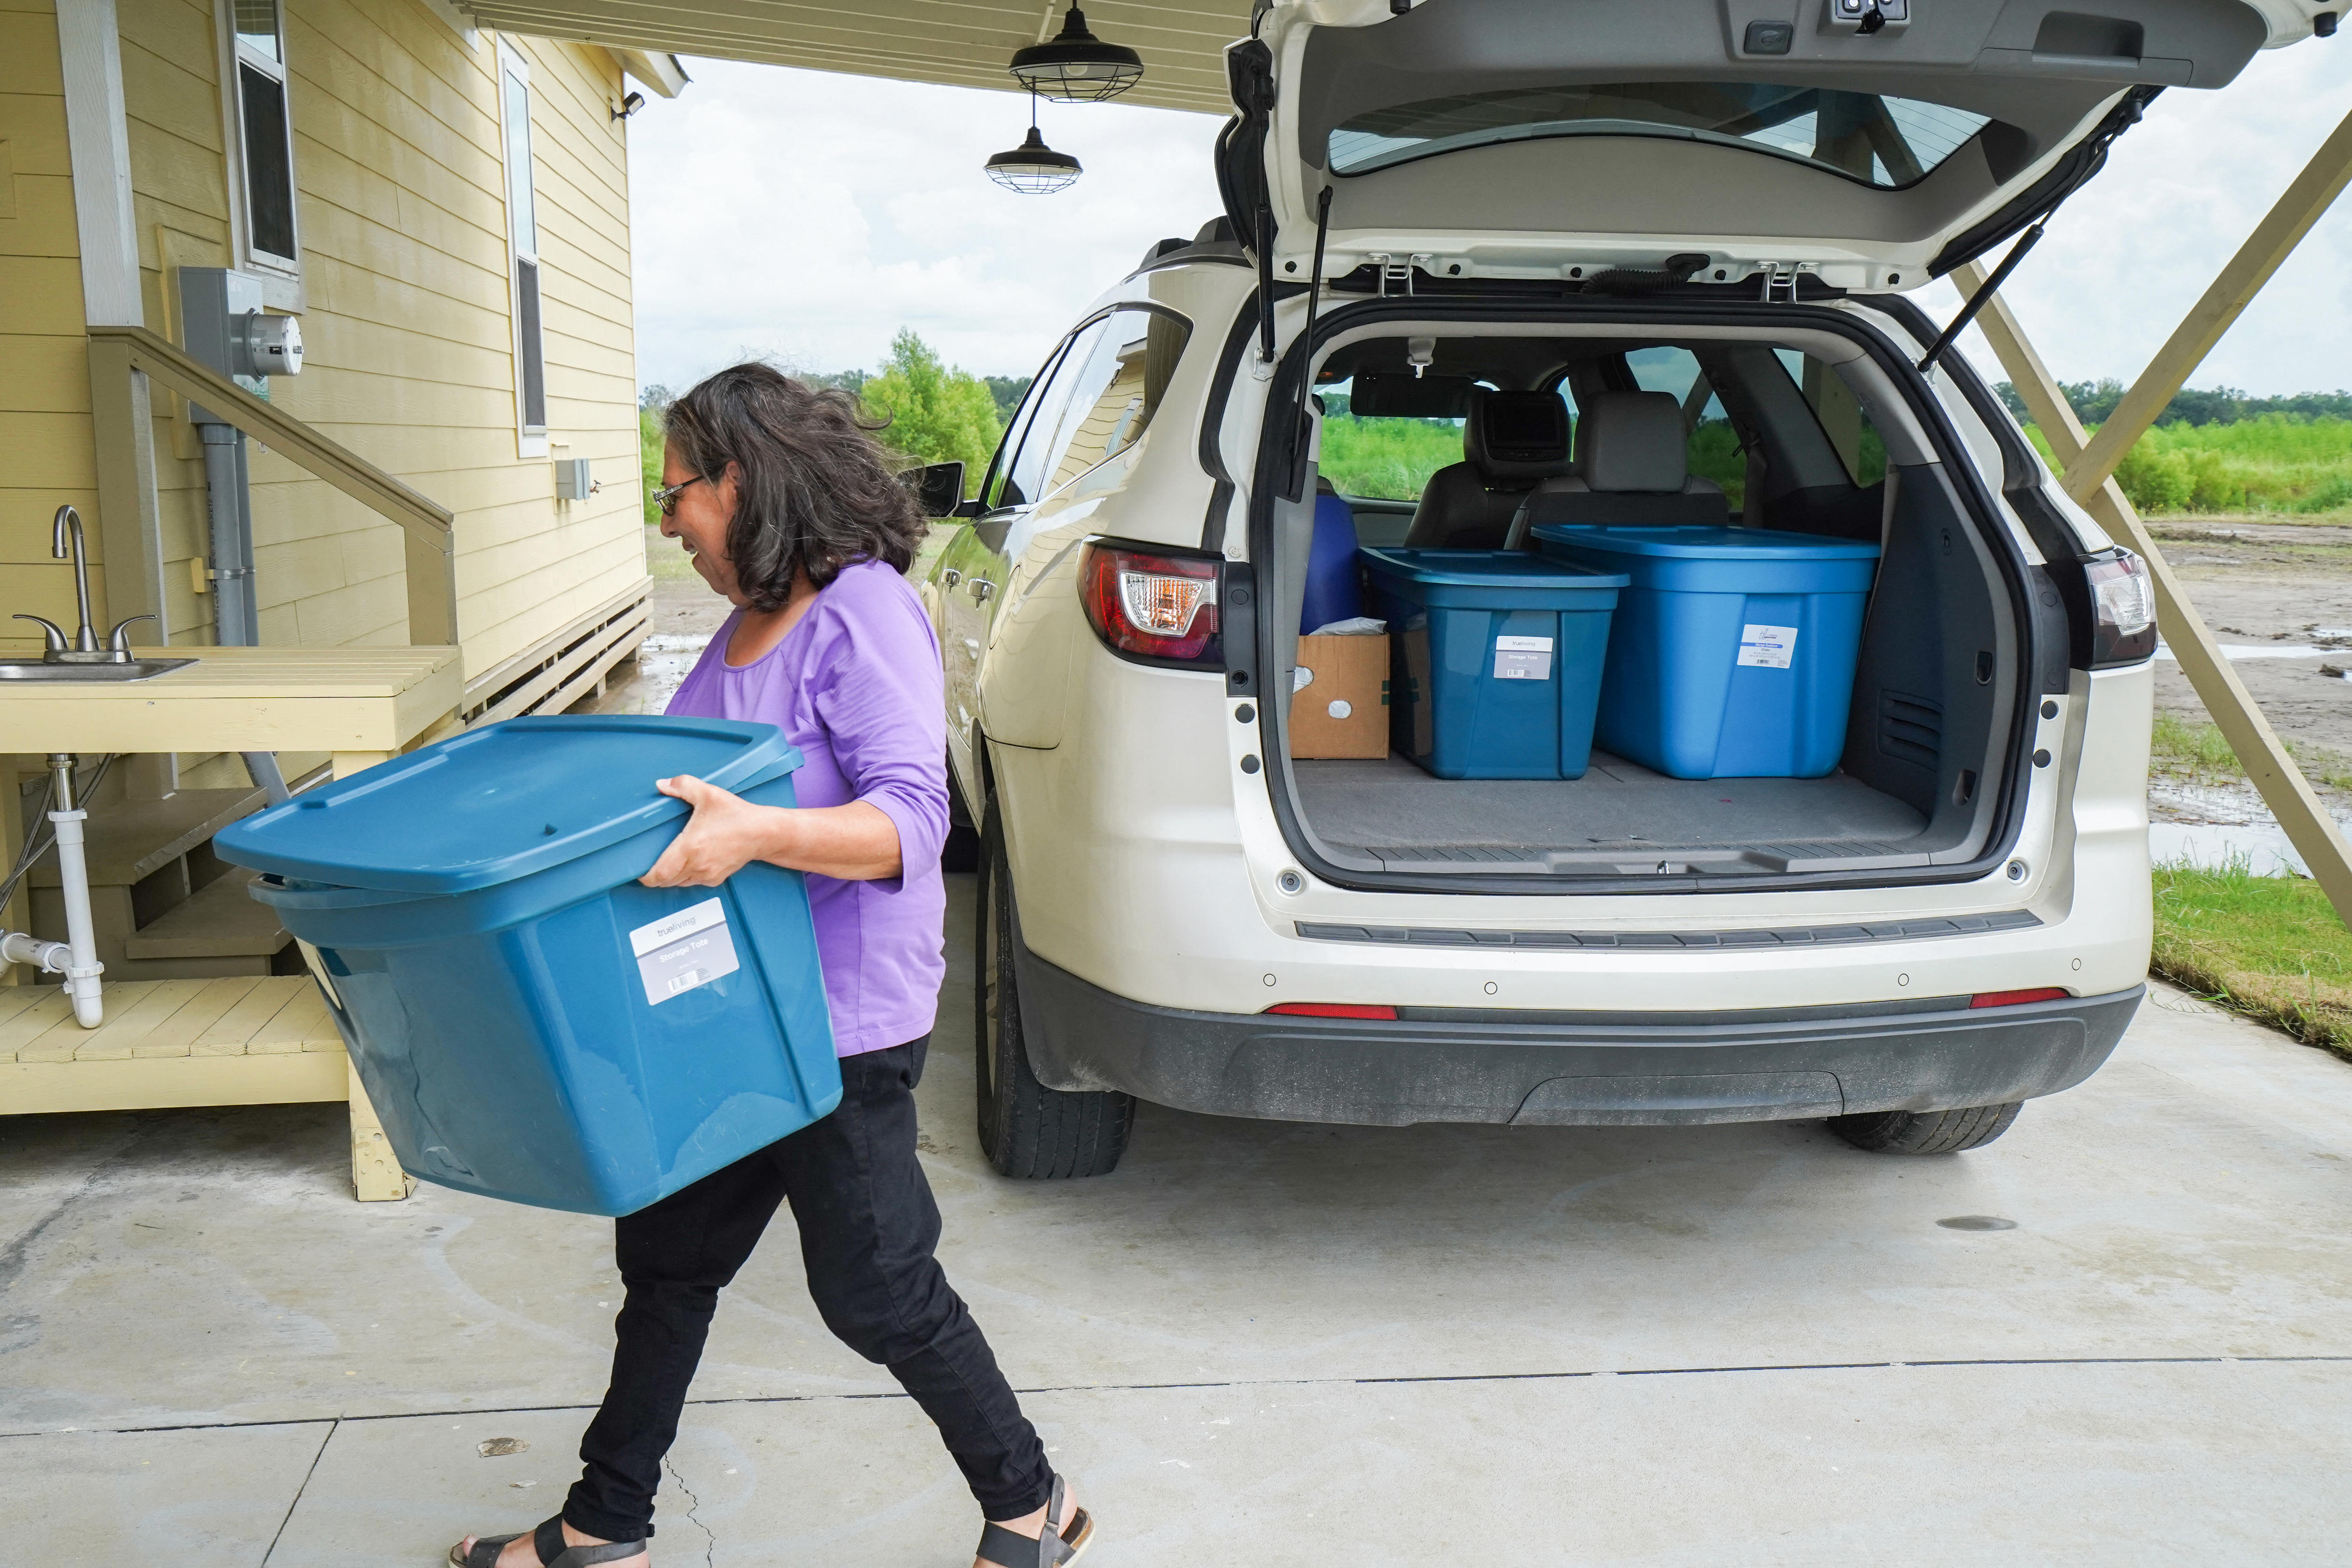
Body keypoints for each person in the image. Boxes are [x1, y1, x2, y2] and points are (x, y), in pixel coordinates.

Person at [452, 364, 1090, 1568]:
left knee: (877, 1289)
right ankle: (606, 1523)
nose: (664, 519)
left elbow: (914, 822)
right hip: (729, 1009)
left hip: (833, 1028)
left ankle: (1033, 1500)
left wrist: (751, 833)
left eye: (676, 490)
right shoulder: (744, 625)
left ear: (742, 481)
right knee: (669, 1260)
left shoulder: (865, 610)